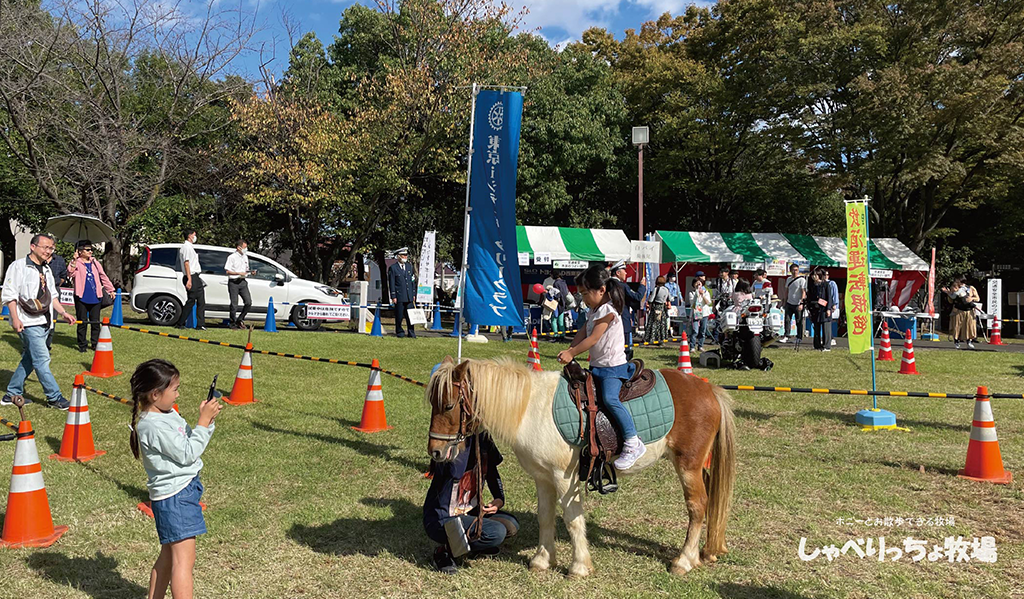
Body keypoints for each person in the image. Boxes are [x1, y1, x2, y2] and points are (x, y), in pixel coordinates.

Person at [130, 359, 221, 599]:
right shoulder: (153, 426)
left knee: (169, 556)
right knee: (184, 562)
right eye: (175, 389)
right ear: (155, 394)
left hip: (179, 493)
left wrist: (206, 422)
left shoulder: (167, 414)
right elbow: (187, 453)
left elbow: (190, 442)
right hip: (175, 497)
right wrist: (203, 422)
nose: (178, 393)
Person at [558, 265, 647, 470]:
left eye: (585, 293)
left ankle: (633, 442)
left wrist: (572, 353)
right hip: (598, 366)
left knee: (609, 399)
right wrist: (570, 347)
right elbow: (582, 332)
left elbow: (593, 338)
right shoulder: (594, 310)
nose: (583, 298)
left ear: (601, 290)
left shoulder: (608, 310)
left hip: (612, 368)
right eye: (581, 294)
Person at [424, 431, 518, 575]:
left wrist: (499, 499)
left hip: (469, 511)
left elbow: (492, 471)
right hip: (442, 519)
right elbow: (456, 471)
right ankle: (444, 552)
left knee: (511, 525)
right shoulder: (449, 444)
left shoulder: (483, 437)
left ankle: (474, 545)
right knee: (496, 532)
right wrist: (467, 440)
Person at [1, 234, 77, 409]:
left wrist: (64, 313)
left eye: (51, 248)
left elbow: (53, 296)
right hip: (27, 321)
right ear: (33, 247)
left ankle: (11, 393)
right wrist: (15, 318)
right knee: (42, 358)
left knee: (29, 358)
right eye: (45, 247)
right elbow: (9, 294)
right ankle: (54, 397)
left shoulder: (47, 270)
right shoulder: (18, 267)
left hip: (45, 321)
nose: (48, 251)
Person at [69, 240, 116, 353]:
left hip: (96, 296)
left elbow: (103, 276)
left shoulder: (95, 262)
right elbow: (70, 273)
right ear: (80, 251)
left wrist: (110, 289)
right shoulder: (76, 262)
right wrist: (74, 260)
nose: (91, 252)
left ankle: (95, 344)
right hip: (81, 297)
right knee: (82, 322)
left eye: (91, 249)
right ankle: (82, 345)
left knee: (95, 322)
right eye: (88, 250)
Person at [608, 261, 646, 360]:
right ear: (617, 273)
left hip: (608, 319)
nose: (626, 273)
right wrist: (642, 286)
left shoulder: (606, 284)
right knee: (625, 347)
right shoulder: (622, 286)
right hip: (622, 318)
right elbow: (637, 297)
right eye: (624, 271)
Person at [175, 229, 206, 331]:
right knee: (191, 300)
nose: (195, 236)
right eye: (194, 235)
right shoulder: (186, 247)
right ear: (189, 236)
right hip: (191, 275)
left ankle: (200, 324)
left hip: (196, 276)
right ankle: (180, 323)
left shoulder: (191, 247)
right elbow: (186, 263)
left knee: (201, 300)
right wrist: (189, 279)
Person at [224, 240, 256, 329]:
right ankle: (232, 322)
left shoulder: (245, 257)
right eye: (244, 247)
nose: (246, 249)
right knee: (234, 304)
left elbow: (246, 270)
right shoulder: (232, 257)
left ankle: (240, 319)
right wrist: (238, 273)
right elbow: (227, 271)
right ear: (239, 247)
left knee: (248, 302)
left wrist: (250, 272)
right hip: (234, 282)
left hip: (242, 282)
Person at [942, 276, 980, 349]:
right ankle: (956, 341)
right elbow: (951, 300)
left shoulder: (971, 288)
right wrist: (949, 293)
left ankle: (969, 341)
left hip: (969, 310)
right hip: (958, 310)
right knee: (957, 326)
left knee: (969, 326)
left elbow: (977, 298)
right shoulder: (955, 288)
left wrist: (971, 298)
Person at [387, 247, 417, 338]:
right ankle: (400, 332)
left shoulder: (409, 267)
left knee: (410, 316)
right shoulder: (393, 268)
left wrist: (414, 294)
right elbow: (392, 282)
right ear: (398, 256)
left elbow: (412, 281)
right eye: (403, 255)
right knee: (399, 316)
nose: (405, 257)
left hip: (409, 296)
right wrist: (393, 296)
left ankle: (411, 332)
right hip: (399, 296)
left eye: (406, 255)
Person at [806, 268, 834, 351]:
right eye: (813, 275)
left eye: (816, 275)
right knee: (816, 328)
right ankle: (817, 345)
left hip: (824, 308)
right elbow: (809, 297)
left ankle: (827, 346)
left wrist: (829, 308)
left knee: (826, 328)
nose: (814, 277)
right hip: (815, 309)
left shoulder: (826, 285)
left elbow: (829, 297)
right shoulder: (812, 285)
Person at [780, 263, 806, 343]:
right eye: (793, 270)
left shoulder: (802, 280)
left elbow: (803, 292)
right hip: (789, 302)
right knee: (787, 320)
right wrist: (784, 300)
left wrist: (801, 302)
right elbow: (787, 290)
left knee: (799, 321)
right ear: (790, 271)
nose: (795, 272)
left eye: (796, 270)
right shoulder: (788, 279)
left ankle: (799, 337)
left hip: (798, 303)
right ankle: (787, 335)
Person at [687, 278, 713, 351]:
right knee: (695, 331)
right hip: (696, 313)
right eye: (696, 283)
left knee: (703, 330)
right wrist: (697, 293)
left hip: (704, 313)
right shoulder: (691, 293)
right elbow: (693, 303)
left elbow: (708, 302)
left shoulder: (706, 292)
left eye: (700, 283)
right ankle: (692, 346)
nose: (698, 285)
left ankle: (700, 346)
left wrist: (702, 294)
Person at [643, 276, 671, 343]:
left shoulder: (656, 289)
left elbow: (651, 299)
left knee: (653, 323)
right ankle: (662, 338)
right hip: (663, 307)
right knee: (662, 324)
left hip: (656, 307)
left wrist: (648, 304)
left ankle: (651, 338)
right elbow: (669, 298)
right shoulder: (666, 289)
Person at [825, 270, 840, 347]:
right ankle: (828, 338)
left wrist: (835, 304)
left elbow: (835, 294)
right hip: (825, 306)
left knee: (829, 322)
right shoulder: (822, 283)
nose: (826, 276)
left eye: (827, 274)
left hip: (831, 306)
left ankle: (831, 338)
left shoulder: (831, 283)